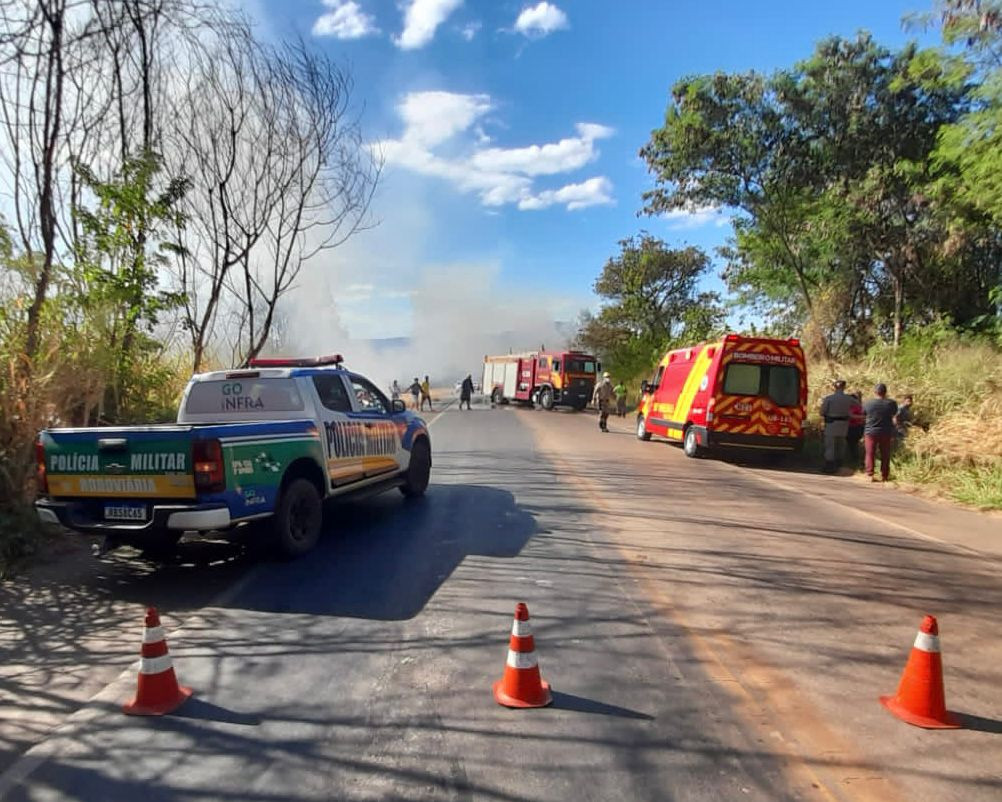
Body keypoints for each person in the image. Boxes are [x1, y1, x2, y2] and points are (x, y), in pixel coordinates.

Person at [863, 382, 898, 482]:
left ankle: (870, 474)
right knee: (885, 454)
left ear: (875, 392)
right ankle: (885, 475)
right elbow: (894, 414)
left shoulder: (868, 403)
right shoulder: (891, 403)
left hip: (871, 431)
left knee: (870, 453)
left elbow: (864, 414)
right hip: (886, 431)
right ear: (885, 392)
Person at [820, 379, 853, 473]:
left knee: (830, 445)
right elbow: (858, 405)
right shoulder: (849, 399)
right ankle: (839, 464)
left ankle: (829, 466)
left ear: (834, 387)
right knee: (841, 445)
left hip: (831, 423)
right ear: (844, 387)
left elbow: (822, 412)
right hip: (844, 425)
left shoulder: (829, 398)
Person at [847, 391, 865, 463]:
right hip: (852, 427)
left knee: (853, 443)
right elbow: (850, 416)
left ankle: (854, 458)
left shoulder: (859, 406)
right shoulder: (851, 407)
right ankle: (853, 458)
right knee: (852, 444)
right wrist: (862, 417)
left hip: (856, 427)